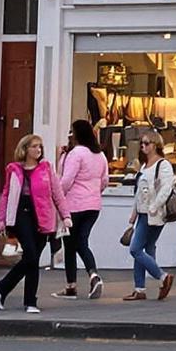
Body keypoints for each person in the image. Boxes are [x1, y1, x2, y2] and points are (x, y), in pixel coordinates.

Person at [0, 134, 63, 314]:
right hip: (21, 214)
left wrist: (65, 215)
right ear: (25, 149)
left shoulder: (46, 168)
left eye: (40, 147)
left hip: (42, 215)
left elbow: (57, 193)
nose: (38, 150)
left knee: (32, 259)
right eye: (34, 146)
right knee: (30, 254)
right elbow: (6, 194)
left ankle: (28, 300)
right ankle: (3, 288)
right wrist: (2, 220)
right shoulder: (14, 169)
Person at [55, 120, 109, 300]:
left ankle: (85, 279)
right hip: (93, 205)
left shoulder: (77, 153)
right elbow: (104, 181)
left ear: (77, 134)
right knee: (79, 241)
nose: (69, 135)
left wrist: (57, 199)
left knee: (73, 244)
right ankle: (79, 282)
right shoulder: (99, 155)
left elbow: (66, 180)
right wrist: (94, 193)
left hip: (74, 205)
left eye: (71, 131)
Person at [123, 131, 176, 301]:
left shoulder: (163, 165)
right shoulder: (145, 166)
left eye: (147, 143)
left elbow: (166, 189)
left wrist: (154, 207)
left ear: (155, 145)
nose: (143, 146)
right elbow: (139, 192)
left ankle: (163, 276)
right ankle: (139, 289)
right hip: (143, 212)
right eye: (142, 144)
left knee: (135, 249)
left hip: (154, 214)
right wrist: (134, 213)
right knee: (148, 248)